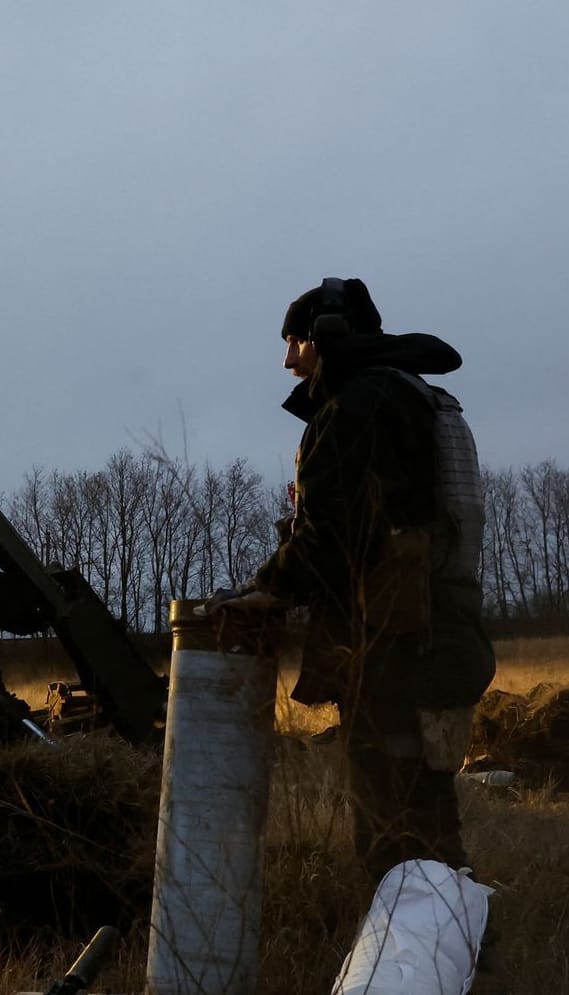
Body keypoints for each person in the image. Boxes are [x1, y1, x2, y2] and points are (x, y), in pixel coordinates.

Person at [216, 277, 494, 877]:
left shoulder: (357, 406)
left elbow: (329, 534)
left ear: (325, 336)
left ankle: (405, 954)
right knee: (427, 804)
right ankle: (457, 943)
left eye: (294, 341)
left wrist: (268, 588)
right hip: (434, 624)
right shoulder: (411, 394)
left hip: (390, 640)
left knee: (391, 819)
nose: (288, 360)